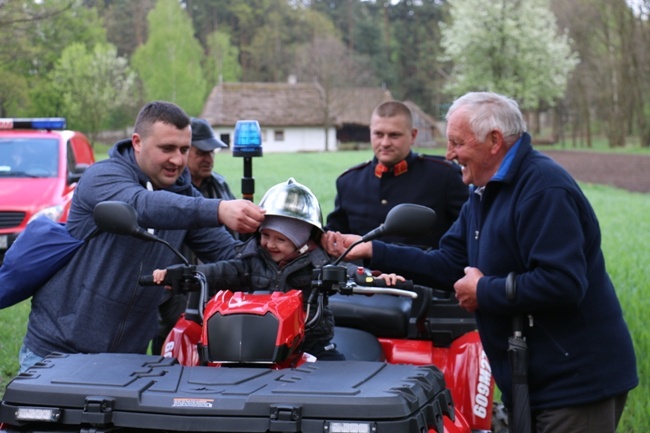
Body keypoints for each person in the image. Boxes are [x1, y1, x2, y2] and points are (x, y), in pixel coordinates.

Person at [323, 92, 638, 433]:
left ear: (494, 141)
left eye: (457, 142)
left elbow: (563, 282)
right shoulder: (484, 191)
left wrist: (483, 291)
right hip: (530, 381)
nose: (449, 154)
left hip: (576, 385)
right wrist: (372, 251)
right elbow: (450, 263)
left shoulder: (544, 190)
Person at [18, 101, 266, 373]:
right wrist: (218, 208)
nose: (178, 160)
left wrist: (287, 242)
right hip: (58, 351)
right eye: (167, 148)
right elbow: (142, 206)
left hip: (127, 360)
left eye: (184, 149)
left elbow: (231, 255)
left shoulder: (184, 198)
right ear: (137, 142)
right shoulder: (101, 177)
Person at [153, 178, 402, 361]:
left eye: (281, 239)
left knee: (336, 377)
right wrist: (183, 275)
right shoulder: (252, 260)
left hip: (310, 342)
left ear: (303, 241)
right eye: (266, 235)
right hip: (257, 342)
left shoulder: (320, 264)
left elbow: (348, 273)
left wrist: (375, 280)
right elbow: (221, 271)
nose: (270, 244)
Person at [325, 100, 468, 251]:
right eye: (378, 134)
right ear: (370, 132)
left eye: (394, 135)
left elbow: (465, 235)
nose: (385, 143)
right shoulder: (349, 182)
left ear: (413, 135)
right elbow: (334, 236)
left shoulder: (443, 176)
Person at [152, 117, 238, 355]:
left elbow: (230, 239)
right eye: (201, 152)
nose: (208, 158)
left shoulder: (219, 185)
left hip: (215, 282)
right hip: (174, 288)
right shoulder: (164, 190)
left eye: (211, 152)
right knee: (170, 343)